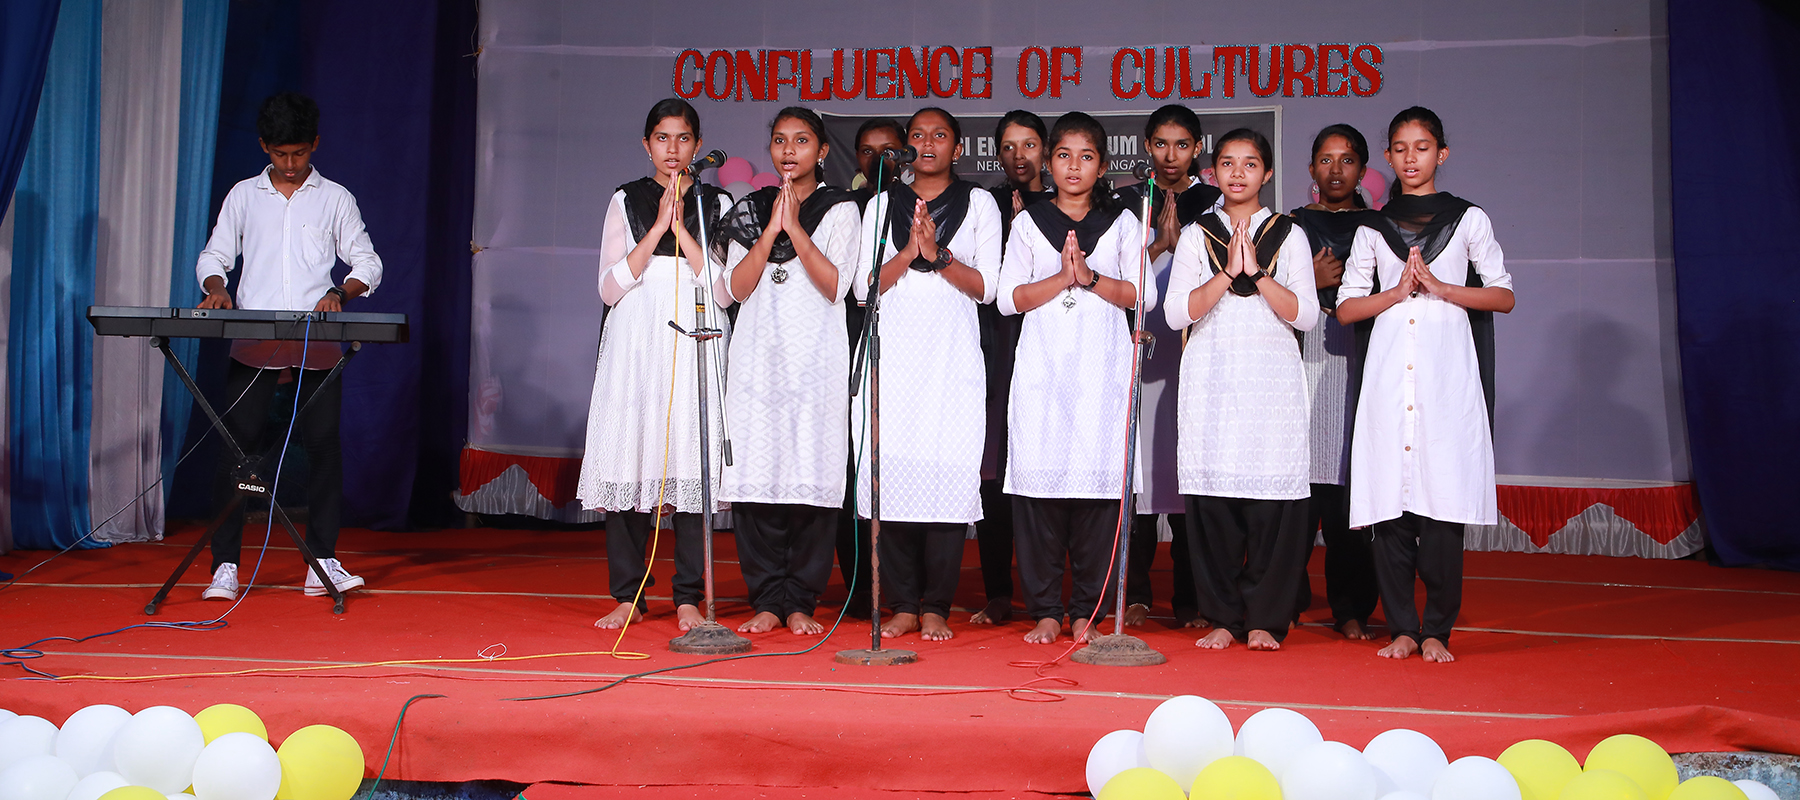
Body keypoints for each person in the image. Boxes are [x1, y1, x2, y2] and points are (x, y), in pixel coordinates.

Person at [1336, 106, 1515, 663]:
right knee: (1388, 506)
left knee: (1442, 505)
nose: (1410, 158)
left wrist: (1441, 287)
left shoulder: (1469, 220)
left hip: (1445, 378)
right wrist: (1395, 294)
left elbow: (1503, 295)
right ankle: (1402, 628)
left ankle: (1437, 628)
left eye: (1422, 147)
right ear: (1387, 158)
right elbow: (1345, 308)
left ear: (1441, 154)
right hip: (1388, 377)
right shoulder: (1372, 227)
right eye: (1400, 148)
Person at [195, 92, 383, 602]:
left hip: (315, 342)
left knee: (323, 448)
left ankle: (321, 562)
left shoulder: (335, 198)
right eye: (280, 154)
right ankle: (225, 566)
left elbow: (368, 262)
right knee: (237, 450)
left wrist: (339, 292)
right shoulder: (243, 195)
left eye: (299, 153)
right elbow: (214, 255)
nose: (291, 163)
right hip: (255, 341)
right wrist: (216, 286)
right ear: (264, 147)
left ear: (314, 144)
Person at [577, 98, 731, 633]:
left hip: (695, 334)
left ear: (697, 144)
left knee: (690, 458)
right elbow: (609, 286)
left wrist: (682, 228)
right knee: (630, 455)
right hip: (637, 339)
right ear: (647, 145)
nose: (673, 149)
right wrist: (657, 226)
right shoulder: (625, 198)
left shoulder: (716, 201)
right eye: (662, 138)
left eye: (683, 138)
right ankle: (629, 595)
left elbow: (723, 289)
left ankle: (688, 595)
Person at [1165, 128, 1319, 651]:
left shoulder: (1289, 235)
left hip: (1271, 385)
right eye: (1227, 163)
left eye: (1250, 164)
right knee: (1214, 502)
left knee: (1271, 503)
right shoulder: (1197, 235)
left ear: (1267, 173)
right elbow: (1175, 313)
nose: (1237, 173)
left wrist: (1256, 273)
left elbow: (1307, 315)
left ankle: (1265, 620)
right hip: (1212, 379)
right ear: (1213, 172)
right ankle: (1223, 617)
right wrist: (1227, 273)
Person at [997, 113, 1149, 644]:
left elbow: (1143, 296)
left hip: (1100, 373)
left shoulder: (1123, 221)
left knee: (1097, 493)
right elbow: (1008, 299)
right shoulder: (1028, 222)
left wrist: (1091, 277)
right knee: (1038, 493)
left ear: (1102, 166)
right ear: (1049, 162)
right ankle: (1045, 610)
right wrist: (1063, 277)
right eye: (1063, 155)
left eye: (1086, 157)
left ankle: (1087, 611)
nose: (1074, 167)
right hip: (1043, 372)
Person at [853, 107, 1002, 642]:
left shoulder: (979, 202)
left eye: (940, 135)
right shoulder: (881, 204)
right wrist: (909, 253)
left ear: (958, 148)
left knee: (947, 472)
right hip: (892, 356)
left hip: (950, 356)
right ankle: (902, 604)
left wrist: (937, 257)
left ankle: (936, 605)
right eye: (918, 135)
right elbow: (863, 288)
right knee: (889, 474)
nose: (928, 143)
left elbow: (987, 287)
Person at [717, 107, 860, 636]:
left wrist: (795, 228)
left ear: (821, 151)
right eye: (780, 140)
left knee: (810, 475)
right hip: (757, 358)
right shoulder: (751, 209)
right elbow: (735, 289)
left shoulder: (840, 208)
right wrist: (769, 230)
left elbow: (836, 286)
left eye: (801, 141)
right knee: (756, 478)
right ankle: (766, 598)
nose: (789, 151)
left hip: (815, 361)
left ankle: (800, 599)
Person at [1112, 105, 1221, 628]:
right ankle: (1135, 593)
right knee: (1138, 476)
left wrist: (1184, 247)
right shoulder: (1125, 203)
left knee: (1187, 474)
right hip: (1134, 352)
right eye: (1160, 144)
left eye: (1181, 144)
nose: (1170, 155)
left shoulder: (1216, 205)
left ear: (1198, 148)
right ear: (1146, 146)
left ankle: (1191, 598)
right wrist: (1158, 244)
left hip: (1194, 354)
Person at [1288, 124, 1383, 639]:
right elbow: (1264, 285)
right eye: (1325, 160)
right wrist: (1312, 281)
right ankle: (1286, 600)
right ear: (1311, 169)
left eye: (1347, 160)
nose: (1336, 170)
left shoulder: (1381, 226)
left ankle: (1351, 608)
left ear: (1363, 169)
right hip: (1299, 353)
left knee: (1351, 485)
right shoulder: (1290, 225)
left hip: (1358, 352)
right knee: (1295, 487)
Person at [970, 109, 1055, 626]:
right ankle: (999, 591)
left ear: (1046, 149)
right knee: (994, 468)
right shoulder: (987, 204)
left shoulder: (1070, 203)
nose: (1019, 156)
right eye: (1008, 147)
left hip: (1054, 341)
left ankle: (1062, 597)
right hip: (997, 343)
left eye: (1029, 145)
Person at [837, 116, 905, 618]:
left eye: (890, 150)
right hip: (847, 343)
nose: (879, 160)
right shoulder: (845, 208)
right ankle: (858, 587)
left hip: (904, 347)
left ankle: (901, 586)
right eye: (867, 150)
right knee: (853, 467)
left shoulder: (910, 206)